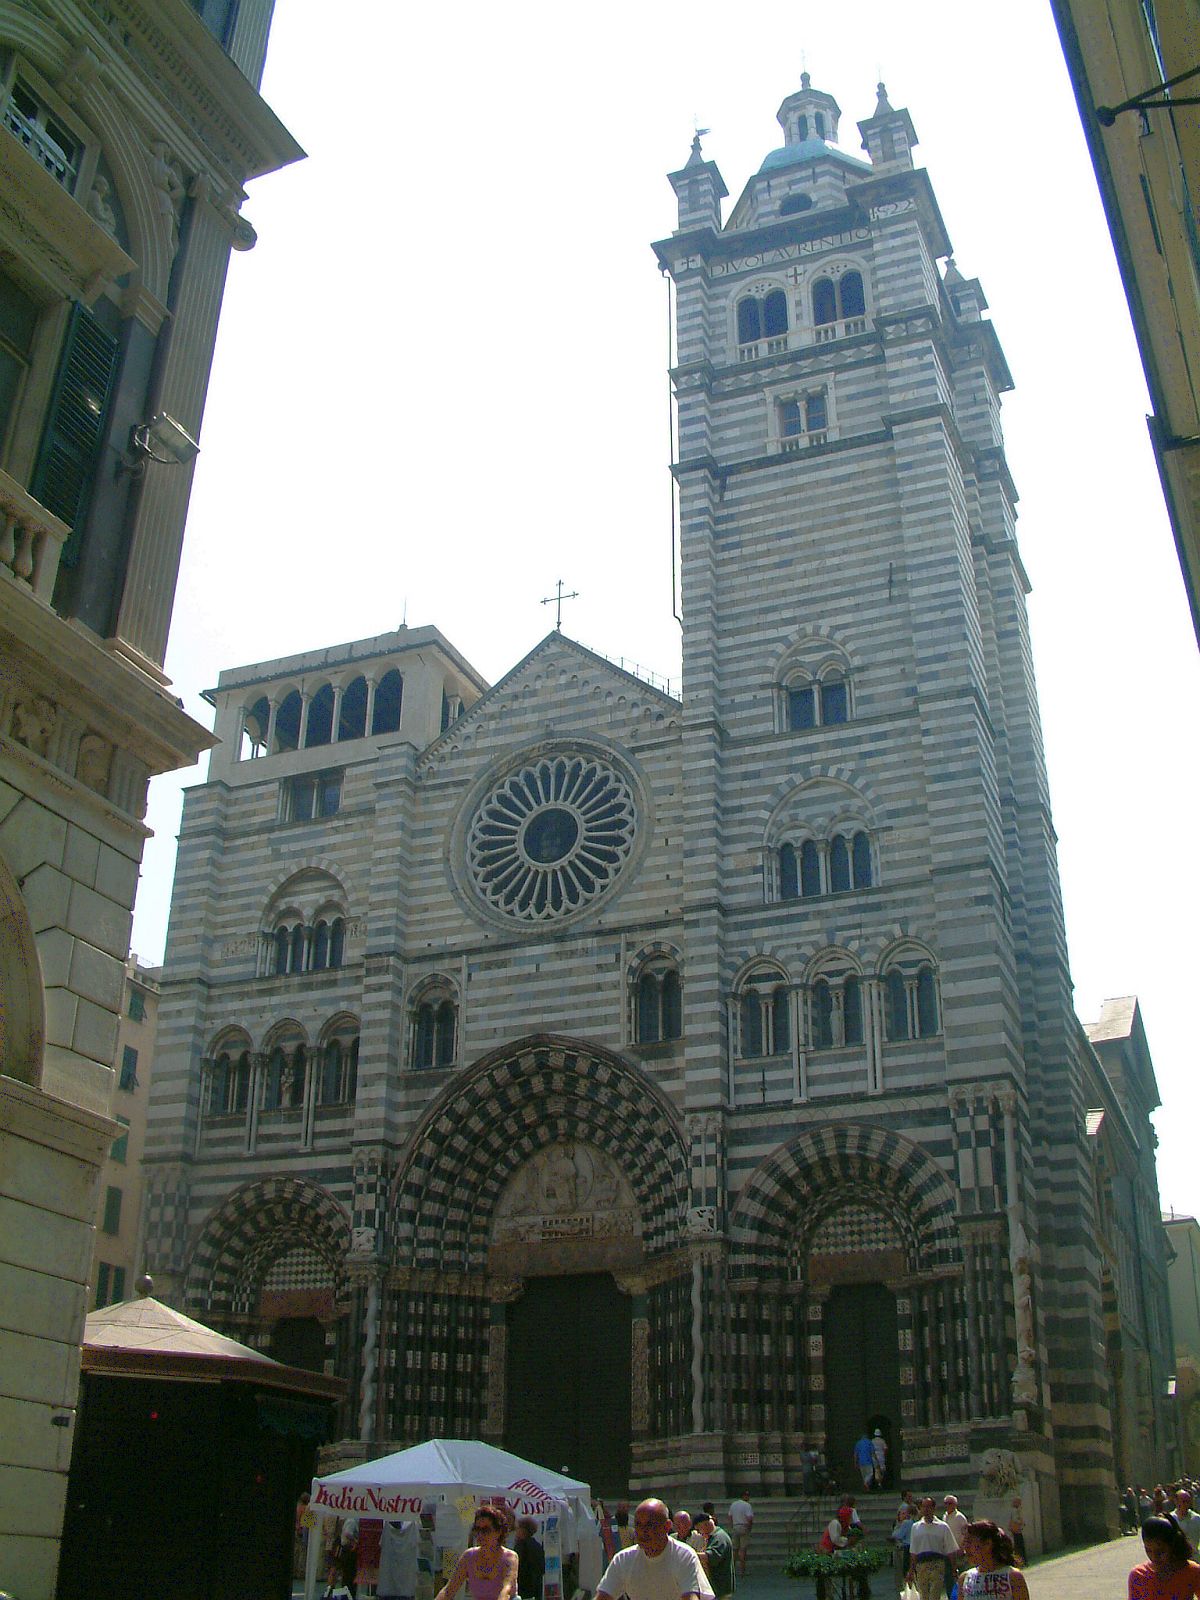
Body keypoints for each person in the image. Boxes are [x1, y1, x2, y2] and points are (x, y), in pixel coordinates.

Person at [593, 1499, 714, 1600]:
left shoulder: (684, 1556)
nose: (642, 1531)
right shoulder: (623, 1560)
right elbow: (603, 1596)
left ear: (667, 1526)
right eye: (638, 1525)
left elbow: (690, 1596)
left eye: (649, 1525)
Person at [435, 1506, 519, 1600]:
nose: (480, 1535)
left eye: (486, 1530)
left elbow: (506, 1590)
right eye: (477, 1529)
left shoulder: (510, 1557)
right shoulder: (469, 1556)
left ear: (498, 1532)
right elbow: (448, 1590)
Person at [1128, 1515, 1200, 1599]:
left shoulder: (1191, 1571)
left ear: (1172, 1546)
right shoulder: (1138, 1575)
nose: (1154, 1557)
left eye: (1160, 1551)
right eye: (1148, 1550)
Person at [958, 1520, 1030, 1600]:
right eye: (964, 1543)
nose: (965, 1548)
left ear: (987, 1544)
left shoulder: (1013, 1577)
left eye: (969, 1542)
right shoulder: (965, 1578)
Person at [908, 1497, 958, 1600]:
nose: (926, 1509)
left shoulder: (943, 1527)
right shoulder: (915, 1527)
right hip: (921, 1565)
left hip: (937, 1564)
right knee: (923, 1595)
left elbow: (950, 1549)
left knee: (935, 1594)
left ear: (934, 1508)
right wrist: (911, 1570)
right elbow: (913, 1551)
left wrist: (954, 1568)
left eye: (929, 1507)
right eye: (924, 1507)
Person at [694, 1511, 734, 1600]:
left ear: (704, 1525)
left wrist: (689, 1553)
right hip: (715, 1588)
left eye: (698, 1530)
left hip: (720, 1589)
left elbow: (711, 1556)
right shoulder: (713, 1536)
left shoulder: (719, 1537)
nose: (699, 1533)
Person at [514, 1519, 545, 1600]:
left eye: (518, 1528)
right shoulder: (537, 1545)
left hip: (524, 1586)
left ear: (523, 1530)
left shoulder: (520, 1546)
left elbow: (516, 1566)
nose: (516, 1531)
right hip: (537, 1586)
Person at [728, 1495, 753, 1577]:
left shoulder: (733, 1504)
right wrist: (749, 1528)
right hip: (744, 1526)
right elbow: (749, 1518)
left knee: (734, 1550)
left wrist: (732, 1526)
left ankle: (732, 1570)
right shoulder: (747, 1505)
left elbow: (730, 1516)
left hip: (735, 1526)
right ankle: (742, 1571)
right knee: (743, 1550)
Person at [1007, 1500, 1027, 1566]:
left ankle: (1020, 1561)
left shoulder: (1013, 1510)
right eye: (1019, 1502)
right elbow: (1015, 1519)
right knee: (1019, 1546)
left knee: (1017, 1546)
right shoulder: (1015, 1510)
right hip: (1016, 1530)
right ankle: (1022, 1561)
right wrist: (1021, 1522)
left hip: (1016, 1530)